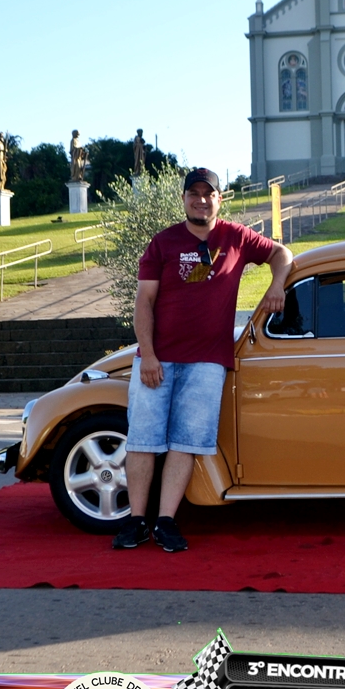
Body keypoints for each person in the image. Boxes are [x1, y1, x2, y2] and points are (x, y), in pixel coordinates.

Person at [115, 167, 293, 552]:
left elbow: (282, 253)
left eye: (208, 194)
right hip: (157, 361)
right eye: (193, 193)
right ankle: (135, 522)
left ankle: (165, 521)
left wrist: (277, 283)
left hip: (208, 362)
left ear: (219, 199)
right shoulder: (162, 243)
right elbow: (144, 301)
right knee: (142, 442)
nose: (201, 200)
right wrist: (148, 355)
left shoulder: (236, 237)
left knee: (186, 443)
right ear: (183, 199)